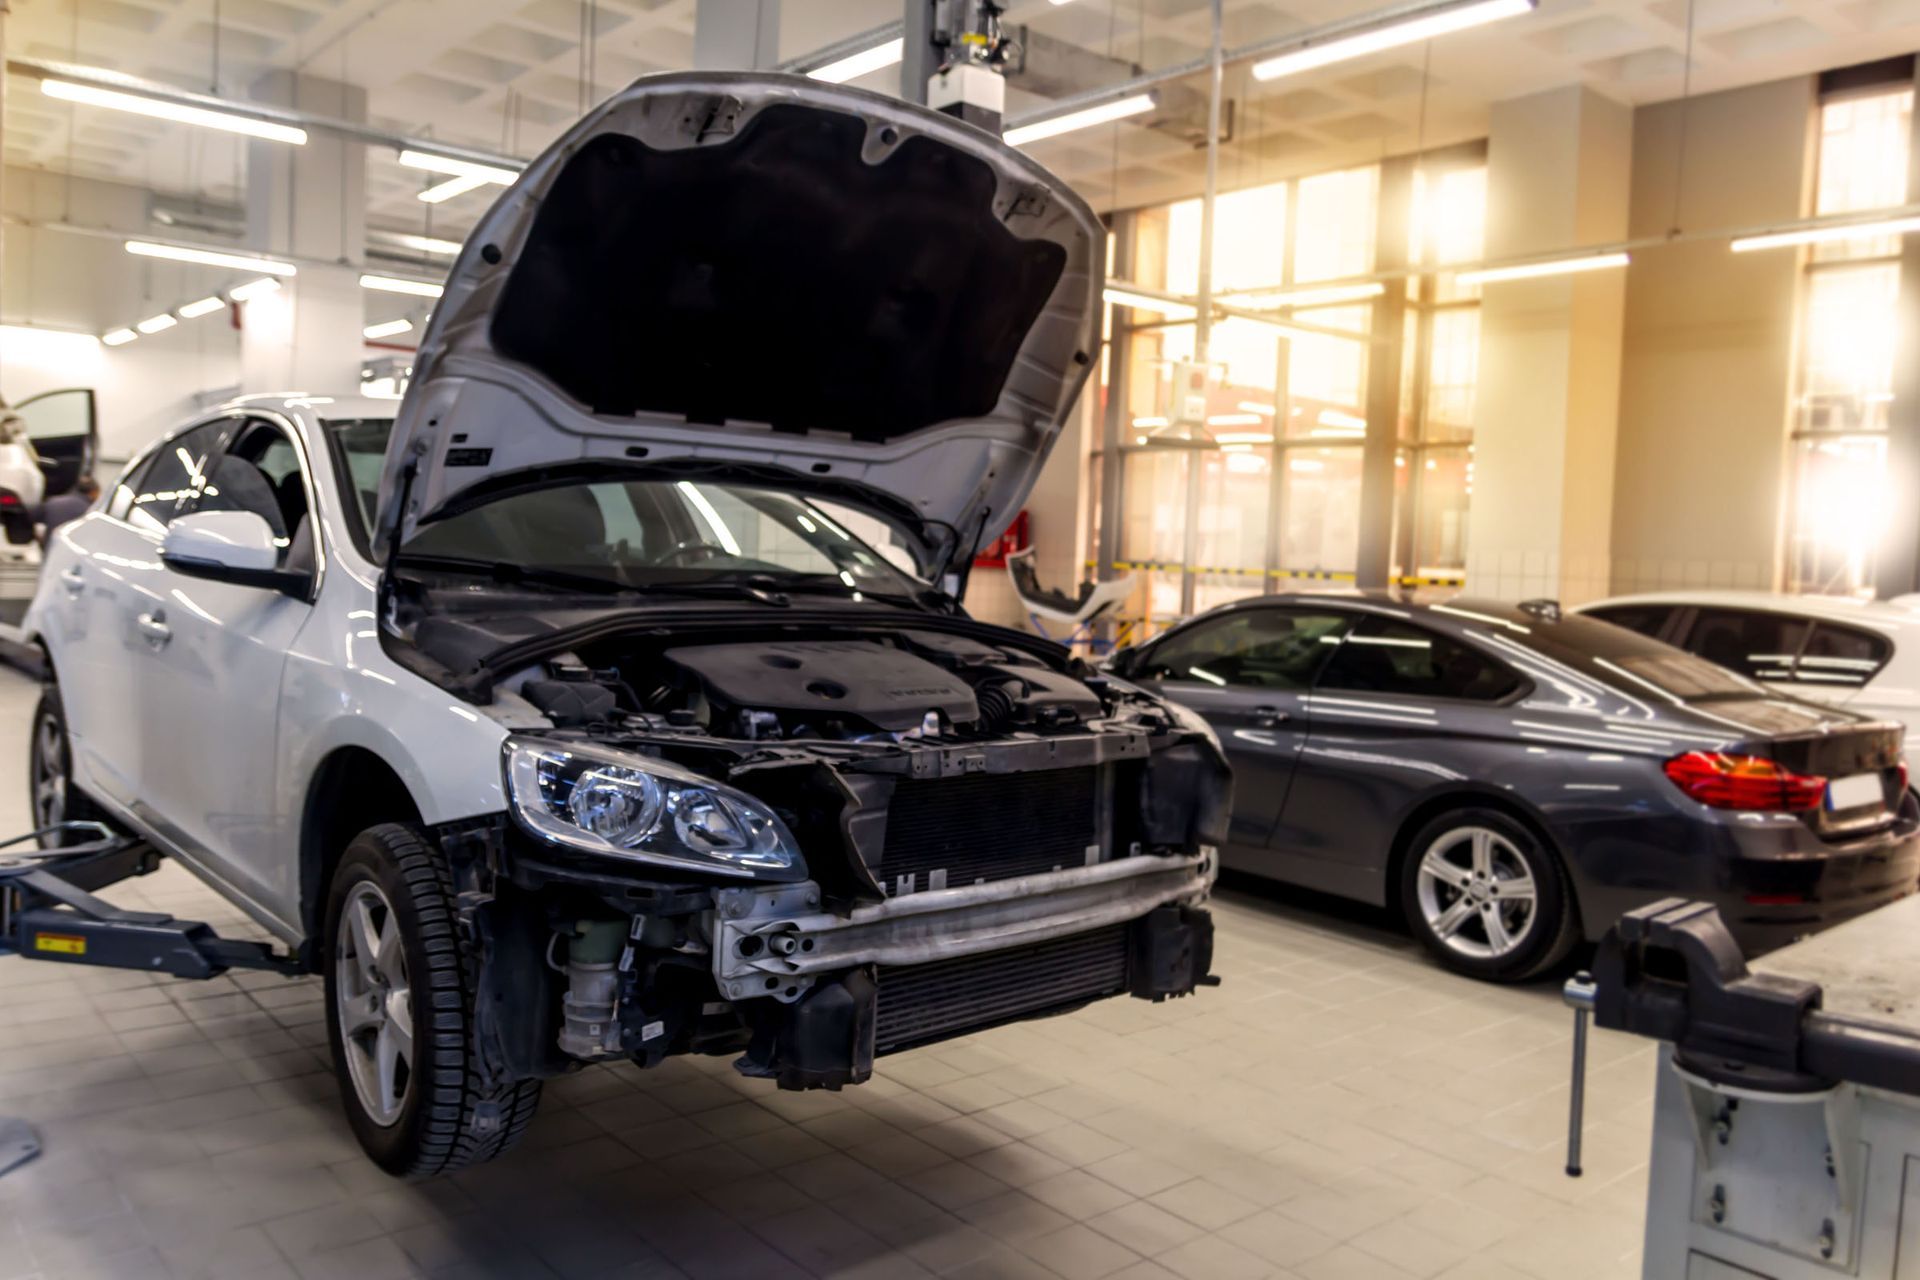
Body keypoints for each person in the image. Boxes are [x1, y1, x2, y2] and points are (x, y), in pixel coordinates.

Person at [39, 475, 99, 547]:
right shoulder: (91, 513)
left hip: (48, 549)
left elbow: (29, 519)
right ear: (93, 492)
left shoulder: (53, 501)